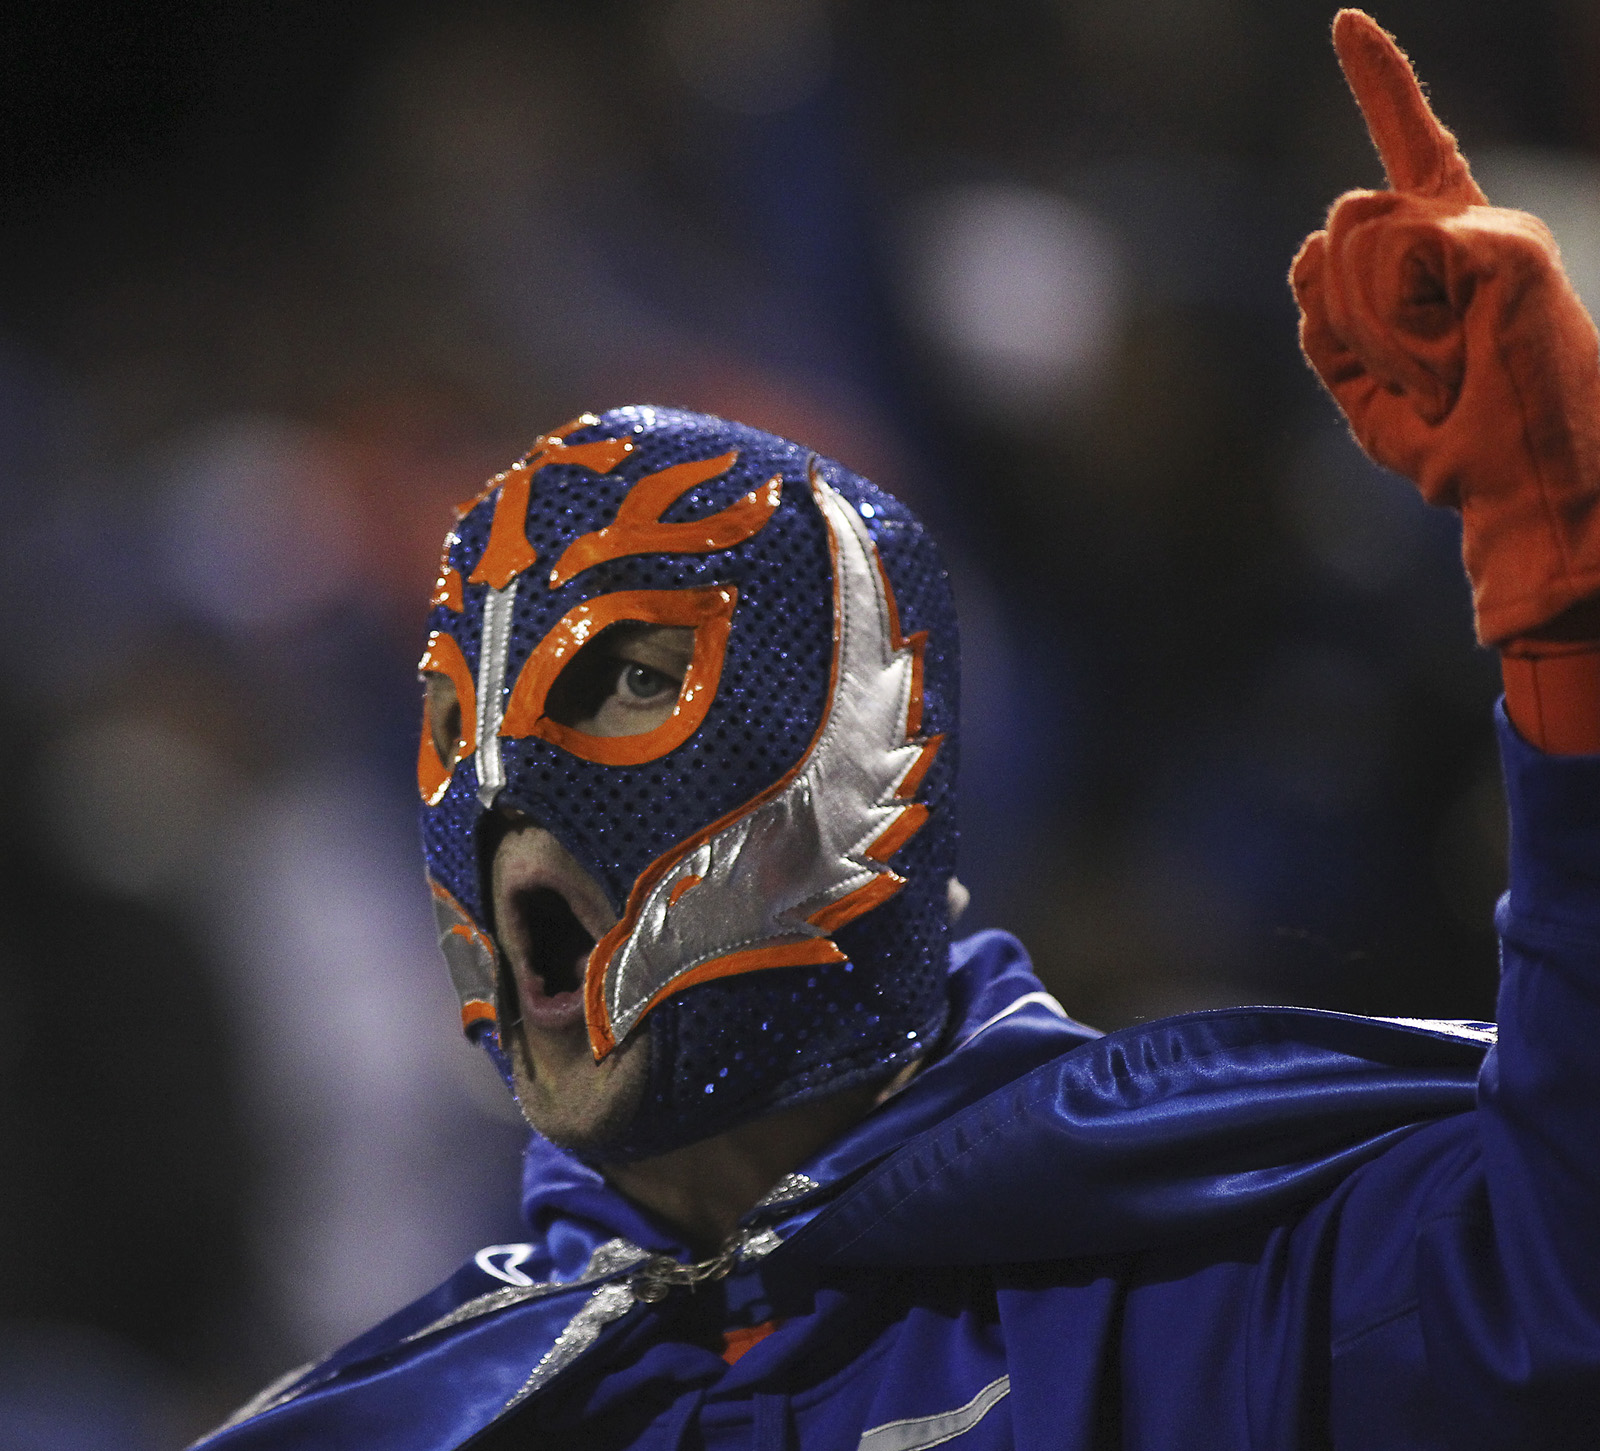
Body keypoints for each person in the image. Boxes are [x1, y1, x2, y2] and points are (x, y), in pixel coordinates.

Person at [194, 12, 1600, 1448]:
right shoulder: (411, 1418)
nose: (509, 786)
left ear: (865, 730)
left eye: (626, 681)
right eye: (452, 716)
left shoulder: (1214, 1270)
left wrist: (1575, 632)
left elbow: (1566, 1287)